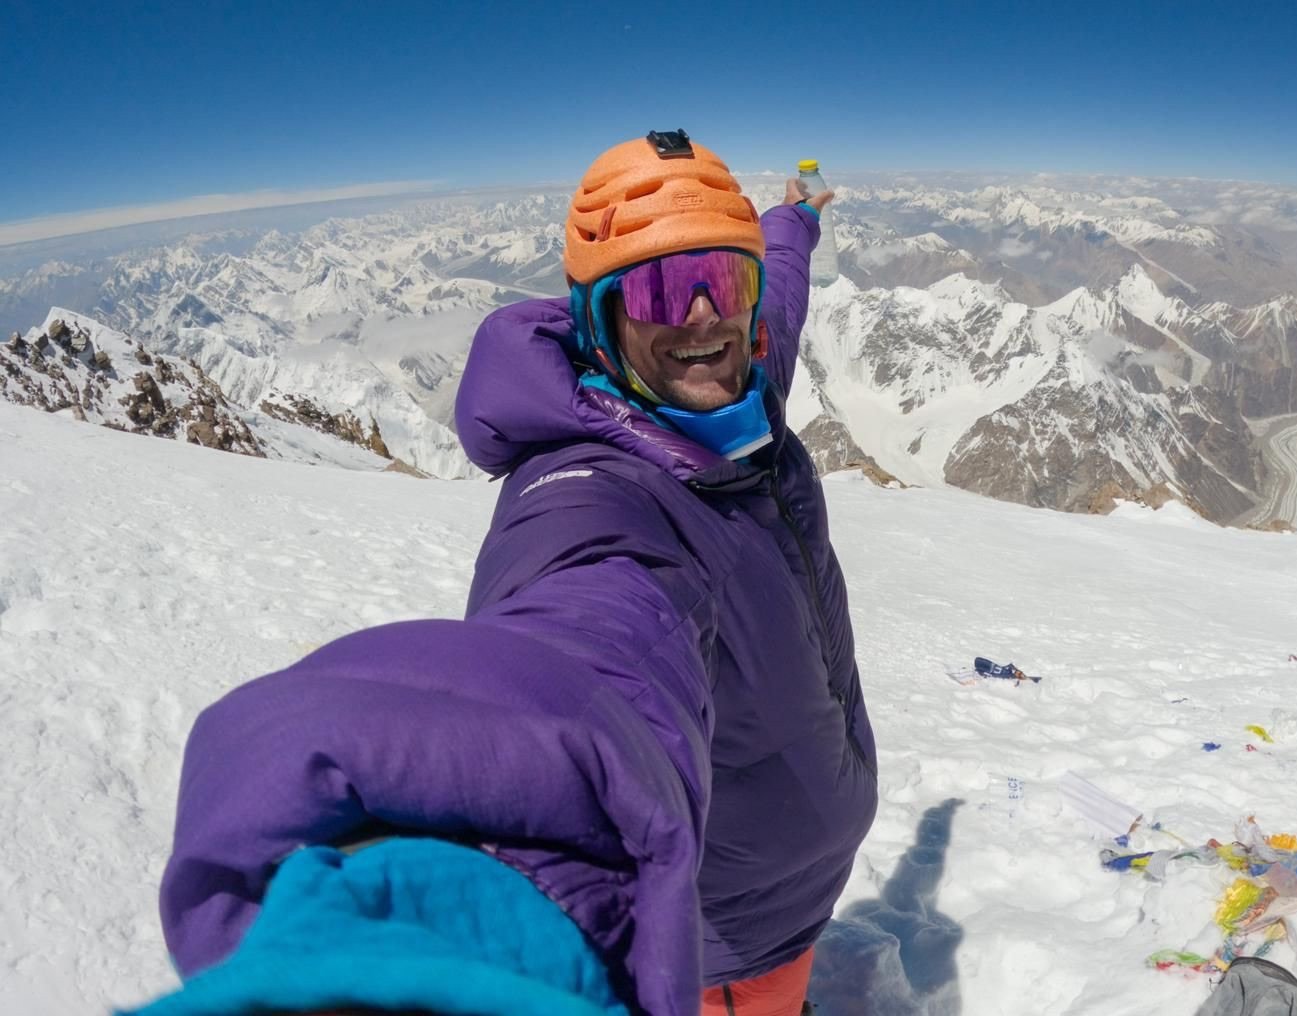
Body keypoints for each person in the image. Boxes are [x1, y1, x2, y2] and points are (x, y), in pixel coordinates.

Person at [127, 131, 878, 1016]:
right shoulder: (595, 498)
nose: (704, 315)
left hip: (797, 895)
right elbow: (591, 651)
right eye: (662, 289)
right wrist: (491, 903)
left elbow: (778, 288)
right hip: (724, 938)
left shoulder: (741, 379)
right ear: (598, 325)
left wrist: (794, 216)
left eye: (726, 280)